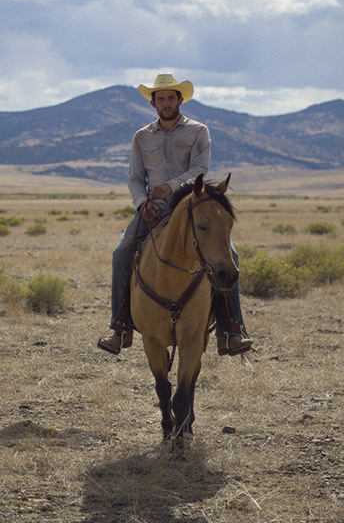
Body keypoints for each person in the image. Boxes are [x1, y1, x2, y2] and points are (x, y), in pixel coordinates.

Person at [98, 73, 252, 356]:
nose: (166, 103)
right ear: (153, 104)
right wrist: (143, 203)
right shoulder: (142, 136)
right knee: (121, 253)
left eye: (171, 97)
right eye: (160, 99)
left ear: (180, 100)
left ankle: (231, 329)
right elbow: (135, 178)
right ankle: (120, 326)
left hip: (192, 206)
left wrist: (168, 188)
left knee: (231, 257)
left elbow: (199, 171)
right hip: (152, 209)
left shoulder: (198, 131)